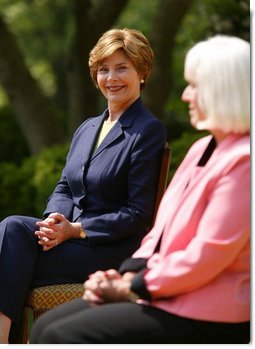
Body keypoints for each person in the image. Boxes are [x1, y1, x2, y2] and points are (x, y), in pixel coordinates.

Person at [30, 34, 250, 344]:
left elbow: (206, 256)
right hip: (164, 290)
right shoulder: (202, 148)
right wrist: (128, 272)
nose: (186, 95)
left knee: (60, 334)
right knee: (45, 325)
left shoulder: (244, 162)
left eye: (196, 86)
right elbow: (160, 232)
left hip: (207, 310)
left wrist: (134, 286)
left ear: (226, 90)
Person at [0, 28, 167, 343]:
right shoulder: (87, 128)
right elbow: (64, 187)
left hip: (108, 250)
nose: (111, 77)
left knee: (11, 234)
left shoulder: (148, 131)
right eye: (104, 69)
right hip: (67, 243)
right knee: (10, 248)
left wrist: (75, 229)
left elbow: (138, 214)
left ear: (142, 73)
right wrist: (54, 221)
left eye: (122, 68)